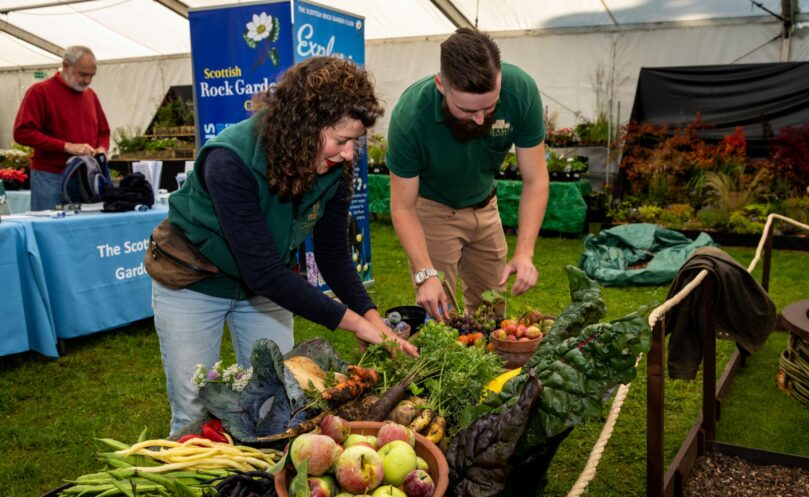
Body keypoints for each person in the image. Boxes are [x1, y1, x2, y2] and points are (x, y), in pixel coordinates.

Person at [154, 57, 417, 434]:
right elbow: (262, 271)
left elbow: (333, 254)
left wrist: (373, 320)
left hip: (264, 285)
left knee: (284, 401)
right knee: (194, 411)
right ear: (302, 126)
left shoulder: (338, 162)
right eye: (341, 140)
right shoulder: (229, 160)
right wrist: (354, 323)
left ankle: (261, 485)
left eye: (354, 141)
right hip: (194, 280)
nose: (348, 153)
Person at [387, 28, 549, 321]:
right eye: (466, 109)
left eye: (490, 107)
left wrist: (524, 253)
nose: (480, 118)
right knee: (440, 313)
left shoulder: (521, 91)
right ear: (441, 85)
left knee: (493, 310)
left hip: (486, 209)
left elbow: (536, 179)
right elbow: (402, 205)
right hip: (434, 210)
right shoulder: (410, 117)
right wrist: (426, 273)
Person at [13, 45, 110, 211]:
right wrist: (66, 146)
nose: (87, 80)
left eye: (91, 76)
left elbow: (103, 131)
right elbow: (22, 133)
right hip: (50, 177)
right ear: (65, 66)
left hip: (85, 177)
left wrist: (102, 148)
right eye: (83, 74)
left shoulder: (90, 95)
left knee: (84, 228)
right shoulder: (40, 92)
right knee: (48, 229)